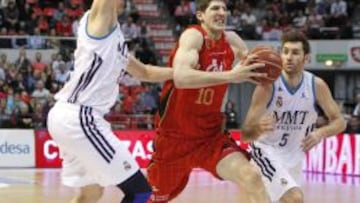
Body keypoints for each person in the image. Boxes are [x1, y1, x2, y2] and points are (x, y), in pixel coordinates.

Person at [46, 1, 173, 203]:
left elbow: (146, 72)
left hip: (67, 116)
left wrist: (182, 74)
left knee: (91, 193)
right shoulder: (99, 23)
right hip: (80, 118)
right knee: (139, 192)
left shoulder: (114, 42)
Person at [147, 0, 270, 202]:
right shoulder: (193, 36)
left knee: (252, 177)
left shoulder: (232, 40)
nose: (222, 12)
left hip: (210, 137)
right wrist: (230, 75)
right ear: (200, 15)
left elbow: (257, 69)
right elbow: (181, 77)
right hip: (174, 139)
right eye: (215, 8)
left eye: (224, 8)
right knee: (155, 198)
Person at [241, 30, 346, 203]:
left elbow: (340, 122)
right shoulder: (267, 87)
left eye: (295, 52)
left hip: (295, 159)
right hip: (267, 152)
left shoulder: (316, 85)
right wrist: (259, 128)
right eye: (285, 51)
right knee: (295, 198)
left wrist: (320, 133)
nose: (289, 57)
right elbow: (246, 133)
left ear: (306, 58)